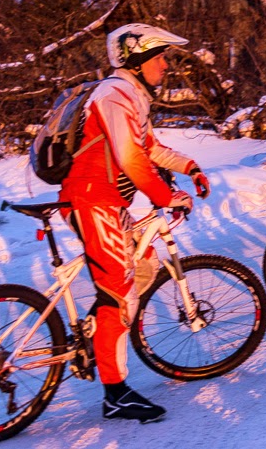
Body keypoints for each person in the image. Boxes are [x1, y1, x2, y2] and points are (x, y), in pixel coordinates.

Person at [59, 23, 211, 423]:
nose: (165, 65)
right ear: (138, 59)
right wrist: (167, 196)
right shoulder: (114, 93)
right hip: (93, 200)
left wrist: (189, 166)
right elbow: (130, 158)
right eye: (159, 57)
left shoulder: (133, 95)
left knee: (141, 268)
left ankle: (98, 332)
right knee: (121, 295)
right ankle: (115, 394)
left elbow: (150, 148)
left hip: (108, 200)